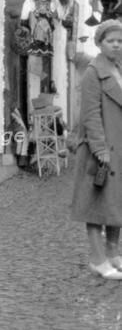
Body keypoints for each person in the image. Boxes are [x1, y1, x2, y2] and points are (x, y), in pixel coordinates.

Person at [71, 19, 122, 279]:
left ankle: (114, 253)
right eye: (110, 40)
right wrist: (100, 149)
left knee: (116, 203)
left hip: (120, 147)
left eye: (120, 40)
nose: (116, 45)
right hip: (99, 149)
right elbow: (89, 115)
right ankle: (97, 259)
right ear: (100, 43)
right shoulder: (93, 72)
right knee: (96, 204)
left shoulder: (119, 69)